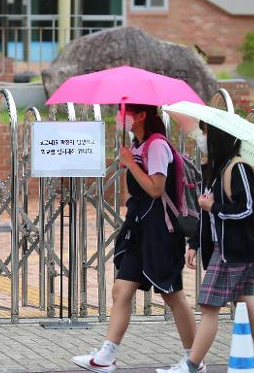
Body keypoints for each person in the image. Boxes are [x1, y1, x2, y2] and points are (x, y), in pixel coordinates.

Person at [73, 104, 201, 373]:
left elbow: (156, 188)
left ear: (142, 116)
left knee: (172, 294)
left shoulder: (156, 146)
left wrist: (131, 163)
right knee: (122, 289)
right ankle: (107, 355)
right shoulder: (138, 144)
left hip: (161, 232)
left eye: (127, 113)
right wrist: (130, 159)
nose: (123, 118)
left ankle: (194, 360)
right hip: (139, 228)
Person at [161, 124, 254, 373]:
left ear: (218, 137)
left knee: (208, 307)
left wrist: (213, 208)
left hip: (232, 251)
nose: (199, 138)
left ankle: (192, 365)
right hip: (230, 249)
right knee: (246, 304)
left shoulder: (237, 168)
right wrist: (195, 243)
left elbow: (248, 210)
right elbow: (207, 216)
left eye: (204, 133)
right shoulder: (218, 170)